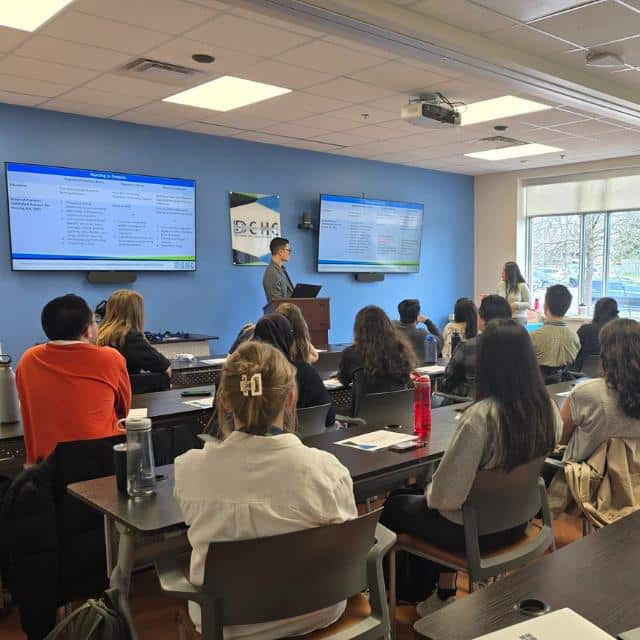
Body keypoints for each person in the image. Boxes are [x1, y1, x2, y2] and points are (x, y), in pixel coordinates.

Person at [174, 341, 357, 638]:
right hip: (318, 609)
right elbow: (346, 540)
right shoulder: (326, 470)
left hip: (223, 621)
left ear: (223, 401)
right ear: (291, 398)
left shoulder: (189, 469)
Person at [380, 319, 561, 613]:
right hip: (519, 523)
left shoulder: (479, 419)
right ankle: (443, 591)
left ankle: (407, 595)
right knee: (420, 500)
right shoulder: (547, 409)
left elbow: (444, 499)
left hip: (476, 534)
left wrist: (428, 486)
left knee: (398, 505)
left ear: (486, 364)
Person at [16, 294, 131, 464]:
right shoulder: (110, 358)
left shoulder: (29, 358)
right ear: (88, 330)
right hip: (101, 462)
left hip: (44, 468)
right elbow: (123, 410)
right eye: (95, 320)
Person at [560, 318, 640, 463]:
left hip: (585, 481)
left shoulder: (587, 392)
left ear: (605, 352)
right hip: (634, 481)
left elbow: (559, 439)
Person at [254, 314, 335, 426]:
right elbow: (329, 417)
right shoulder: (306, 372)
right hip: (312, 440)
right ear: (289, 339)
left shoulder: (253, 379)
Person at [440, 295, 512, 400]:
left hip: (473, 405)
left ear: (483, 320)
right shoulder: (520, 344)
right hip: (512, 406)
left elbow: (447, 381)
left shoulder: (467, 347)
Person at [337, 305, 416, 397]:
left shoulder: (351, 353)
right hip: (400, 409)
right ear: (387, 326)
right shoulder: (400, 349)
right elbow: (406, 377)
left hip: (365, 410)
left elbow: (344, 380)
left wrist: (343, 373)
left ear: (358, 329)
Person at [95, 289, 171, 379]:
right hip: (127, 390)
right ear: (137, 311)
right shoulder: (128, 336)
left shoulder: (99, 333)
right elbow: (164, 367)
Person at [530, 285, 580, 381]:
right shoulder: (575, 338)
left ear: (545, 307)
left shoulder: (533, 337)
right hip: (563, 386)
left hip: (536, 386)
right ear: (567, 307)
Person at [574, 297, 619, 370]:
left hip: (581, 372)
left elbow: (574, 351)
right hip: (609, 372)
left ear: (596, 311)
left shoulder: (585, 329)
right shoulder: (620, 332)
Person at [497, 261, 531, 326]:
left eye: (504, 270)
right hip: (503, 317)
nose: (502, 273)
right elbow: (500, 300)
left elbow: (529, 304)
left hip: (518, 318)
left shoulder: (522, 285)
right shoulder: (501, 284)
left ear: (511, 273)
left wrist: (516, 305)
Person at [263, 237, 294, 303]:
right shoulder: (272, 274)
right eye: (289, 250)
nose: (290, 253)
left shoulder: (282, 269)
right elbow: (276, 304)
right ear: (280, 252)